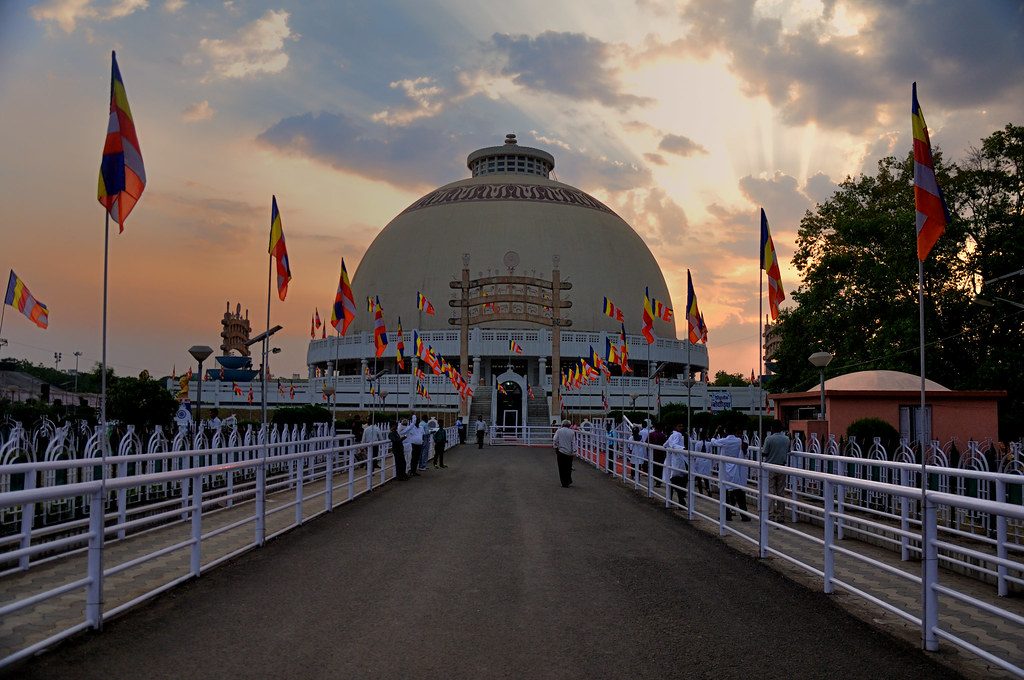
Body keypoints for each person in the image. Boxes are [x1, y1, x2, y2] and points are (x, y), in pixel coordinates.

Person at [711, 425, 749, 521]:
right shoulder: (738, 441)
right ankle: (744, 514)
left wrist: (716, 432)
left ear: (725, 431)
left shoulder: (724, 441)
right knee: (738, 492)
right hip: (735, 468)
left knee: (724, 492)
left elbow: (713, 441)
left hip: (725, 469)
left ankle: (727, 514)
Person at [761, 420, 792, 523]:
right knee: (780, 491)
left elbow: (764, 453)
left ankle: (770, 514)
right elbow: (788, 451)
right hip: (782, 467)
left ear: (772, 428)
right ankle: (781, 515)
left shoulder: (769, 439)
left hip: (770, 467)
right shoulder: (786, 439)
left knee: (770, 491)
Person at [663, 423, 688, 506]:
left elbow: (665, 445)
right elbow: (673, 445)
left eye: (682, 426)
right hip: (677, 459)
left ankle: (670, 499)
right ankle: (681, 500)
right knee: (678, 480)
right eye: (679, 426)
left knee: (673, 480)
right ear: (675, 427)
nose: (681, 427)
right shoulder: (678, 435)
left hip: (672, 460)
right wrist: (682, 448)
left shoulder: (672, 435)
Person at [553, 419, 576, 487]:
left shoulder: (559, 431)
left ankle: (564, 482)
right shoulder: (572, 432)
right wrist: (574, 452)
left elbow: (555, 439)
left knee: (561, 468)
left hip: (561, 451)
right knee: (568, 467)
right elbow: (573, 443)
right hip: (569, 453)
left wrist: (556, 447)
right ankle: (568, 479)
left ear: (562, 425)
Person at [647, 422, 667, 488]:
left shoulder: (651, 434)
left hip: (653, 454)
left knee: (653, 467)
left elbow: (647, 443)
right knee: (660, 468)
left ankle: (654, 480)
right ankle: (658, 481)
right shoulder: (663, 435)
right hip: (661, 454)